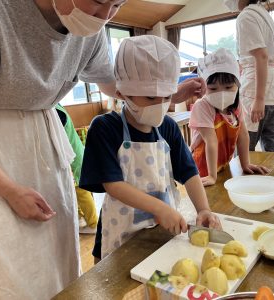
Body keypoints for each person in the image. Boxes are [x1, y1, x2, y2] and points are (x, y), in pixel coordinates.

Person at [0, 0, 205, 298]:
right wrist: (9, 189)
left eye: (117, 5)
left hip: (47, 149)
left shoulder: (91, 32)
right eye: (98, 2)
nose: (104, 17)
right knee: (4, 275)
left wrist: (164, 96)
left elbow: (121, 84)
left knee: (58, 268)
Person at [79, 35, 222, 260]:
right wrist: (159, 208)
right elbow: (113, 185)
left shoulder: (168, 127)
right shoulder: (105, 128)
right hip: (119, 235)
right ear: (121, 93)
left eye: (166, 97)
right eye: (150, 97)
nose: (160, 105)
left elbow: (189, 173)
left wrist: (203, 209)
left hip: (162, 232)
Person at [189, 48, 269, 187]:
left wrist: (246, 164)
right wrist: (212, 176)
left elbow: (243, 135)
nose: (221, 93)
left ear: (238, 85)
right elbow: (211, 141)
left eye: (228, 87)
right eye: (213, 89)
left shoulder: (237, 106)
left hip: (223, 165)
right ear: (204, 87)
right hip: (202, 170)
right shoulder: (202, 107)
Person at [224, 0, 274, 152]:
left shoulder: (246, 16)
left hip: (257, 90)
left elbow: (261, 56)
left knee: (245, 148)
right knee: (273, 145)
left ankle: (245, 176)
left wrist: (259, 99)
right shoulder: (263, 13)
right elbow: (271, 56)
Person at [56, 104, 98, 234]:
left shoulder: (56, 111)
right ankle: (82, 218)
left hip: (73, 157)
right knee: (76, 191)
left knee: (82, 191)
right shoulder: (57, 106)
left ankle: (93, 223)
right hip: (74, 154)